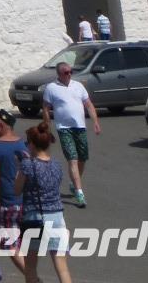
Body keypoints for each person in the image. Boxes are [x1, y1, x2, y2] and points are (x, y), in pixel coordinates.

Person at [14, 124, 73, 283]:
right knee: (62, 267)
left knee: (30, 266)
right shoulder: (57, 165)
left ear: (32, 144)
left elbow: (17, 190)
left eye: (27, 142)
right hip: (57, 217)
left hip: (35, 218)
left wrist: (20, 166)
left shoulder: (27, 165)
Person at [40, 62, 99, 207]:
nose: (69, 74)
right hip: (63, 128)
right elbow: (46, 108)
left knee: (82, 158)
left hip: (80, 127)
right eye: (66, 72)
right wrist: (47, 127)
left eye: (70, 71)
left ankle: (74, 184)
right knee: (72, 158)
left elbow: (88, 104)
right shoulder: (51, 88)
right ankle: (79, 193)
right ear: (59, 74)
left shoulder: (78, 86)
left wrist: (95, 122)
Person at [0, 108, 26, 274]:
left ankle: (33, 277)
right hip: (26, 202)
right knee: (26, 244)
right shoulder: (23, 144)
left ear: (1, 125)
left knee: (11, 245)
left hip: (8, 202)